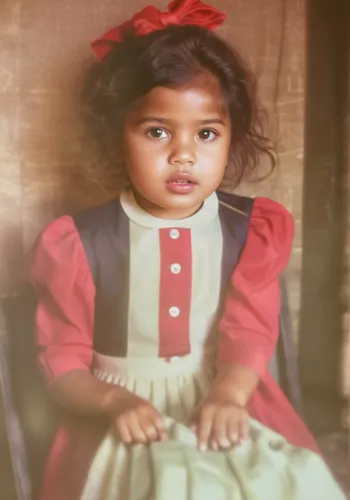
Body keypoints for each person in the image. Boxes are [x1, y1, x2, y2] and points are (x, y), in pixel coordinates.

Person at [28, 1, 344, 499]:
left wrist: (227, 396)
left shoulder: (251, 230)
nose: (184, 153)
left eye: (206, 133)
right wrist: (113, 402)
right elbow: (62, 364)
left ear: (231, 137)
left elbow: (250, 334)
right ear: (118, 135)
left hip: (227, 394)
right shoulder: (78, 244)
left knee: (281, 482)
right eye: (157, 131)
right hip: (123, 412)